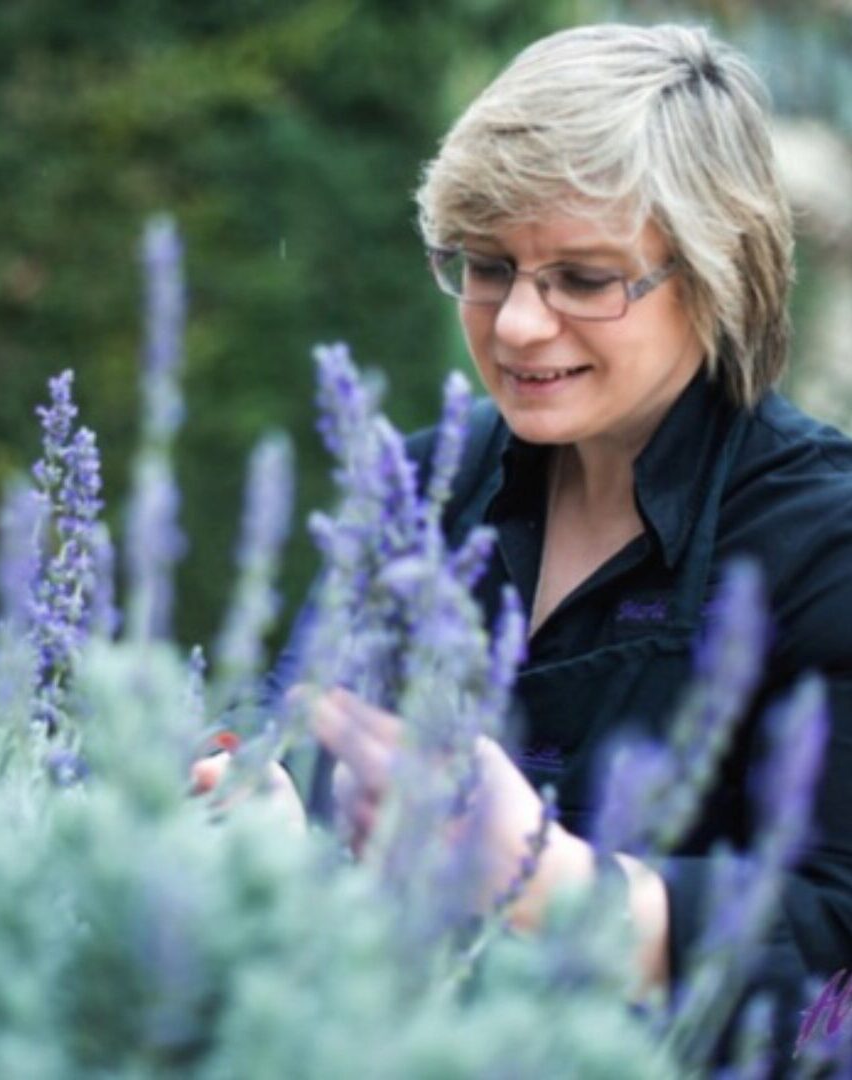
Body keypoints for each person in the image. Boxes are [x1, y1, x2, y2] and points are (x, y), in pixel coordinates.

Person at [200, 21, 852, 1070]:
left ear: (716, 273)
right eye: (489, 266)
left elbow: (831, 932)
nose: (514, 326)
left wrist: (556, 887)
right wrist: (249, 787)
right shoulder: (422, 484)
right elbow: (282, 713)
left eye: (585, 279)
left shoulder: (826, 540)